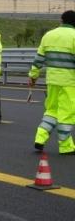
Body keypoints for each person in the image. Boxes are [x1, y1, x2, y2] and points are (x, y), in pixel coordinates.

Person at [28, 10, 75, 155]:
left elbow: (39, 59)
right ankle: (66, 146)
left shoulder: (48, 35)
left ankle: (40, 137)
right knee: (67, 114)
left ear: (61, 20)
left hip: (52, 81)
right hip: (69, 82)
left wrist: (33, 76)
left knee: (51, 110)